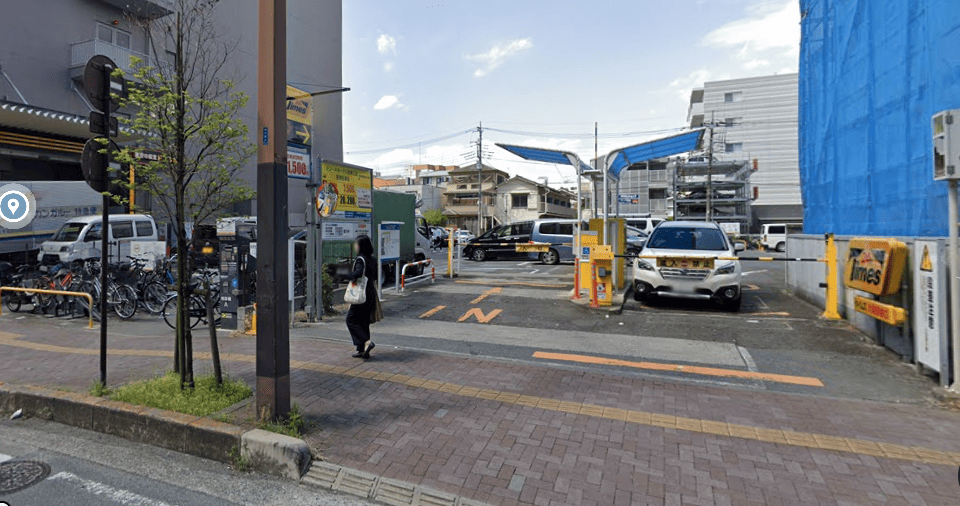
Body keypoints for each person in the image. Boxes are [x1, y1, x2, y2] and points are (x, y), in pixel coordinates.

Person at [345, 234, 378, 358]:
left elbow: (358, 273)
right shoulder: (372, 259)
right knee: (363, 322)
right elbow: (374, 276)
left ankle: (366, 342)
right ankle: (362, 350)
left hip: (360, 295)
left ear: (360, 246)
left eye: (356, 244)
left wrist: (347, 276)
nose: (355, 246)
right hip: (370, 294)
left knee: (351, 320)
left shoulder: (360, 259)